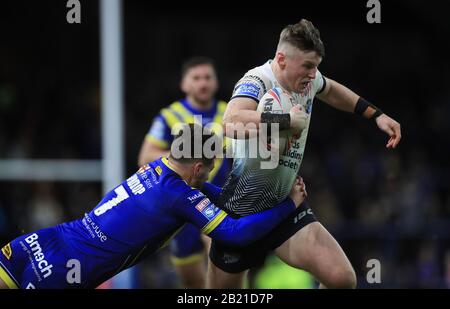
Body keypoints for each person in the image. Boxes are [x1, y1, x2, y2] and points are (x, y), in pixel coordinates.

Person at [207, 19, 401, 289]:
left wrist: (375, 115)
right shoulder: (257, 80)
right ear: (282, 59)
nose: (313, 74)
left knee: (342, 279)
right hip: (241, 214)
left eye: (316, 66)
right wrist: (286, 120)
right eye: (308, 66)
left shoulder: (308, 82)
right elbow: (230, 122)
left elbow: (332, 90)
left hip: (285, 205)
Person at [0, 124, 307, 289]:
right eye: (210, 166)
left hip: (39, 242)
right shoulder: (179, 197)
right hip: (61, 273)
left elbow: (208, 191)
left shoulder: (159, 165)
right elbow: (235, 234)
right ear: (199, 166)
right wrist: (289, 205)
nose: (211, 172)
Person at [138, 57, 231, 288]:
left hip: (220, 199)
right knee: (192, 282)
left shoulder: (230, 113)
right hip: (185, 202)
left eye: (208, 77)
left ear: (216, 82)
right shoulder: (170, 115)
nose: (203, 83)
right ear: (184, 84)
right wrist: (188, 152)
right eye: (196, 78)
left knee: (227, 271)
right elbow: (146, 157)